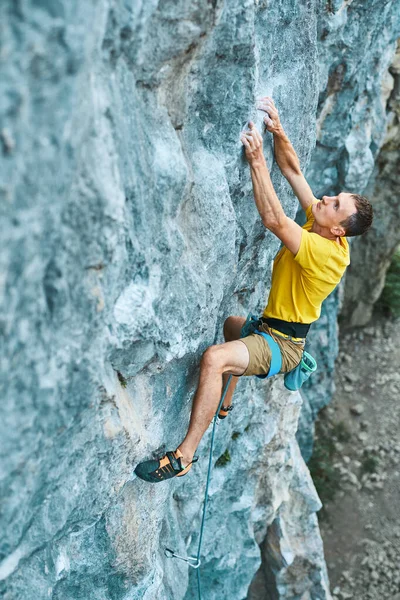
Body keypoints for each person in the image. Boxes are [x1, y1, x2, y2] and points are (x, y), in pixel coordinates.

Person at [135, 97, 373, 483]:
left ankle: (183, 456)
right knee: (231, 325)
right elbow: (294, 170)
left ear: (339, 230)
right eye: (333, 197)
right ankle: (225, 400)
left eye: (334, 204)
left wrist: (257, 160)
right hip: (270, 329)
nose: (325, 199)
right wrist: (279, 132)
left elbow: (274, 219)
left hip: (282, 345)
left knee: (215, 358)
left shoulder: (325, 254)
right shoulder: (326, 225)